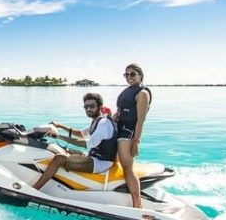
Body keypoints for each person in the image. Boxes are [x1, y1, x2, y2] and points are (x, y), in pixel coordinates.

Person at [32, 93, 117, 191]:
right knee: (61, 149)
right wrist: (60, 126)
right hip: (93, 156)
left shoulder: (104, 123)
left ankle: (35, 189)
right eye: (86, 107)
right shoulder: (96, 120)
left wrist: (59, 136)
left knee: (58, 158)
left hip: (101, 163)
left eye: (92, 106)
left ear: (100, 107)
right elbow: (81, 134)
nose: (88, 109)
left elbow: (88, 143)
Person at [115, 63, 151, 208]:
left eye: (132, 74)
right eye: (126, 74)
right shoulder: (127, 91)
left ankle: (137, 205)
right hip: (119, 128)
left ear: (140, 75)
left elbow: (141, 120)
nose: (129, 77)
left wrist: (135, 141)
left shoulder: (142, 93)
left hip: (128, 133)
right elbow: (122, 111)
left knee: (127, 168)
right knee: (117, 163)